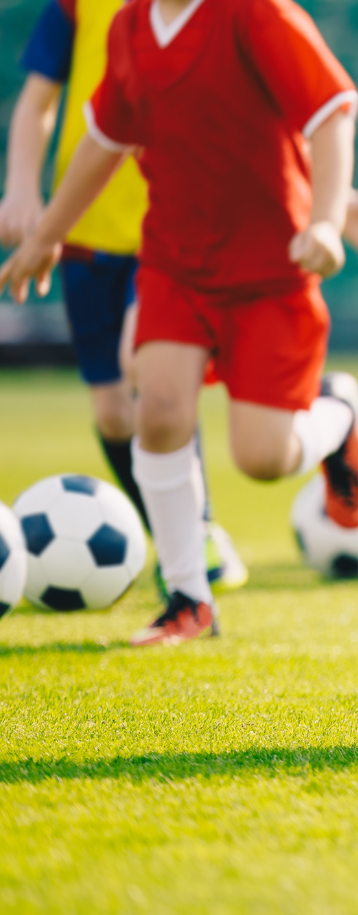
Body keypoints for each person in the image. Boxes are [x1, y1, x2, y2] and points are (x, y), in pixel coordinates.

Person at [0, 0, 358, 647]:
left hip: (269, 271)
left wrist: (325, 219)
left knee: (263, 457)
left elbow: (330, 113)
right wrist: (46, 234)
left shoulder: (257, 14)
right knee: (158, 411)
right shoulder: (129, 26)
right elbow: (105, 138)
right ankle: (188, 599)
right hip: (175, 264)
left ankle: (339, 413)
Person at [0, 0, 250, 592]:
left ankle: (201, 531)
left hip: (166, 230)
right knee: (112, 411)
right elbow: (39, 99)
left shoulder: (200, 13)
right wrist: (21, 189)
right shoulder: (74, 7)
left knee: (145, 366)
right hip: (86, 232)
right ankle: (168, 536)